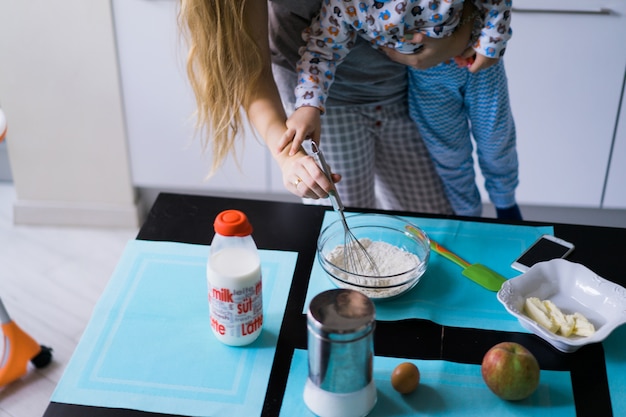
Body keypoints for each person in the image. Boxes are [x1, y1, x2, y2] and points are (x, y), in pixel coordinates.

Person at [178, 0, 474, 214]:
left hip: (408, 89)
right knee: (344, 226)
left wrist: (461, 36)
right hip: (318, 108)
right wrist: (287, 158)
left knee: (434, 222)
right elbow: (249, 69)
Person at [284, 0, 522, 219]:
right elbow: (321, 50)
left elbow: (496, 3)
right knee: (449, 153)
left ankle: (506, 204)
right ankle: (468, 217)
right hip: (428, 80)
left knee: (496, 142)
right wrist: (308, 103)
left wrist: (491, 43)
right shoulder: (348, 4)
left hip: (479, 64)